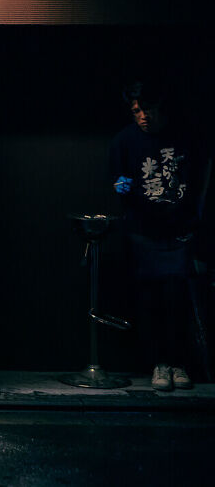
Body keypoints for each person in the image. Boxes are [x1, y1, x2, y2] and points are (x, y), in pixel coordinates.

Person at [110, 80, 209, 391]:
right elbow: (117, 179)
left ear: (161, 107)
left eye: (148, 109)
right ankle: (159, 363)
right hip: (143, 232)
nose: (143, 116)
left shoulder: (184, 137)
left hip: (178, 232)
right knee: (150, 299)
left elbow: (198, 182)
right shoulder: (125, 141)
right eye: (137, 110)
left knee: (176, 297)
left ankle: (178, 363)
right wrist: (124, 189)